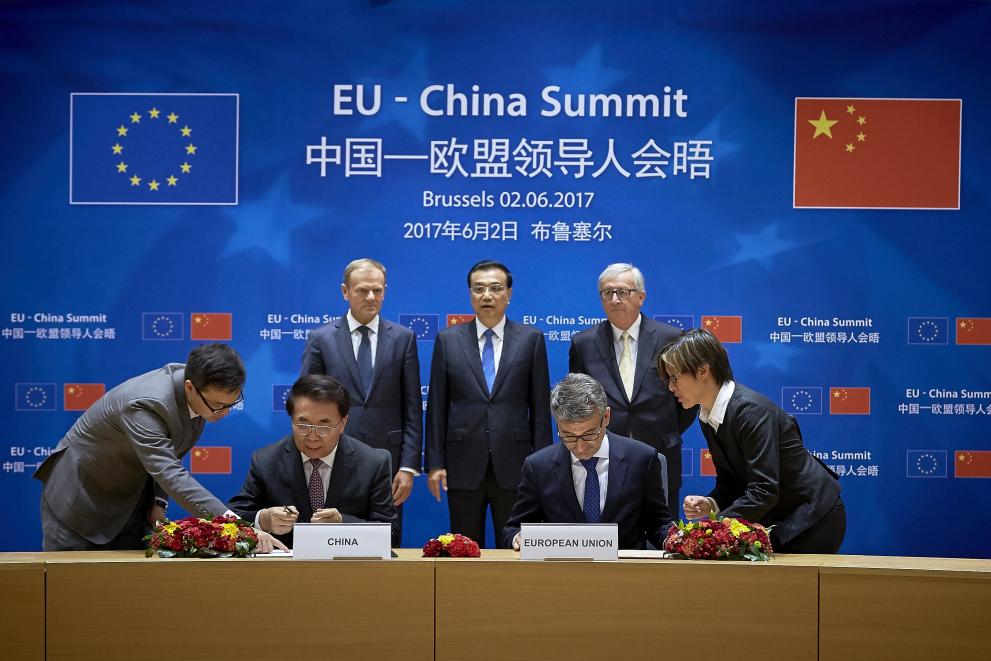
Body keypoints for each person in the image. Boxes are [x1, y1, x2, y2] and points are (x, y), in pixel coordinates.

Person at [34, 343, 285, 553]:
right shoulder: (146, 405)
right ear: (190, 387)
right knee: (70, 590)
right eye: (219, 405)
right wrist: (238, 527)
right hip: (80, 500)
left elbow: (170, 453)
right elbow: (170, 473)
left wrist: (158, 502)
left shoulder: (199, 395)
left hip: (130, 505)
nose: (225, 412)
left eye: (233, 402)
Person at [659, 329, 845, 553]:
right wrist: (711, 504)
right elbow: (731, 483)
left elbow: (764, 489)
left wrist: (710, 529)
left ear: (702, 371)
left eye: (674, 377)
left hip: (813, 517)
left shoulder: (750, 411)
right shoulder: (707, 415)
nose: (671, 387)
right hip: (780, 518)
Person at [426, 260, 551, 548]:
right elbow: (437, 407)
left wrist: (543, 464)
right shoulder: (448, 340)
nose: (487, 295)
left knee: (516, 547)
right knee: (464, 549)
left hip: (516, 465)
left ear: (509, 294)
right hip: (462, 464)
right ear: (470, 294)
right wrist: (434, 463)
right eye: (479, 288)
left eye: (495, 288)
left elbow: (540, 409)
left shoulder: (531, 339)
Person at [299, 258, 421, 544]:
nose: (371, 297)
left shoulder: (403, 338)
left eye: (377, 290)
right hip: (332, 455)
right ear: (345, 291)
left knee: (385, 540)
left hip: (388, 459)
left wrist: (408, 467)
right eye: (363, 290)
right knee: (330, 538)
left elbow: (413, 407)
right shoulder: (321, 339)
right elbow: (306, 403)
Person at [569, 263, 697, 518]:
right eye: (608, 293)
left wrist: (664, 429)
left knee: (662, 531)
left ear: (641, 296)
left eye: (623, 292)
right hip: (603, 459)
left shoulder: (671, 338)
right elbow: (578, 404)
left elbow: (688, 400)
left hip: (660, 452)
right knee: (611, 532)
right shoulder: (583, 343)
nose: (615, 299)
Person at [503, 373, 673, 550]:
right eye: (568, 436)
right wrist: (518, 538)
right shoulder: (538, 467)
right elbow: (513, 528)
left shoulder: (641, 459)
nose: (580, 447)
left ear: (606, 417)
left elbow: (659, 523)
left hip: (624, 565)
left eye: (589, 434)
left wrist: (673, 540)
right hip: (564, 565)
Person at [228, 374, 397, 548]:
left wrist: (343, 523)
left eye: (324, 426)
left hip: (346, 562)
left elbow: (391, 535)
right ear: (292, 420)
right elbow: (230, 519)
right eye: (303, 425)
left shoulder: (373, 463)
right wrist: (262, 520)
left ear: (343, 423)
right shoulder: (266, 461)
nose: (312, 437)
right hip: (287, 563)